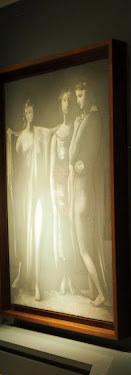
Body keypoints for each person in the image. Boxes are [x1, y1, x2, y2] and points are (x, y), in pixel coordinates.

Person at [6, 98, 53, 301]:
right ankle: (22, 274)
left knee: (38, 233)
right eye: (27, 112)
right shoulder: (20, 139)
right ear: (24, 114)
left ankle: (37, 282)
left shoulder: (41, 133)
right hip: (26, 190)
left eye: (32, 112)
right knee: (25, 233)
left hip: (39, 190)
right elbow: (17, 162)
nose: (30, 115)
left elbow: (54, 130)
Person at [68, 81, 108, 307]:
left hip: (82, 197)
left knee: (84, 249)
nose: (78, 100)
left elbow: (72, 155)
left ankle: (101, 293)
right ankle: (94, 289)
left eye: (81, 96)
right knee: (89, 246)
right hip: (88, 192)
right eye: (76, 96)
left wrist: (76, 127)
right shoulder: (96, 119)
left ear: (89, 94)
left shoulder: (88, 120)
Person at [49, 89, 75, 295]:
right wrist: (52, 195)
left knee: (72, 230)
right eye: (64, 101)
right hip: (59, 188)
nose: (67, 104)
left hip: (72, 184)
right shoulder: (56, 134)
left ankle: (71, 278)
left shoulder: (75, 127)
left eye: (69, 100)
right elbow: (51, 169)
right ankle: (64, 278)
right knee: (61, 230)